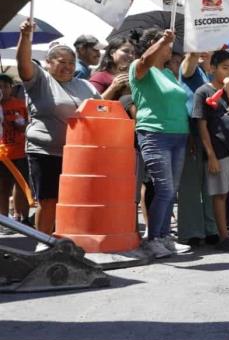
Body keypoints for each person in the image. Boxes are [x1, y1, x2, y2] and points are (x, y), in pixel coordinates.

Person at [16, 19, 100, 241]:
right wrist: (25, 37)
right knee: (49, 200)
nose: (68, 67)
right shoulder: (39, 80)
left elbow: (101, 109)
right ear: (48, 63)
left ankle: (65, 242)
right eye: (62, 62)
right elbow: (23, 65)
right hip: (46, 152)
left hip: (77, 155)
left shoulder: (85, 85)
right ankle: (43, 244)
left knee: (72, 201)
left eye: (72, 63)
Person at [129, 28, 191, 258]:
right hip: (155, 134)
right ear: (153, 45)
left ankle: (164, 237)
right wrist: (163, 39)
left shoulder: (167, 73)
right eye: (166, 44)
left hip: (179, 136)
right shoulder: (138, 66)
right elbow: (145, 60)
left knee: (171, 190)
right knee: (164, 189)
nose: (170, 48)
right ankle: (152, 238)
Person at [192, 50, 229, 251]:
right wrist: (211, 155)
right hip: (218, 150)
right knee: (219, 194)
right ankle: (223, 236)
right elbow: (202, 126)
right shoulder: (203, 92)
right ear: (212, 68)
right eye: (225, 68)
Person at [177, 52, 221, 248]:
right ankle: (191, 232)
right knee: (190, 186)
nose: (205, 51)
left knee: (211, 184)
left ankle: (212, 229)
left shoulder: (214, 73)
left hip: (214, 134)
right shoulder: (190, 69)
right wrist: (194, 51)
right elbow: (187, 68)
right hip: (191, 133)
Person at [0, 75, 29, 224]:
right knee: (3, 186)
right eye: (0, 87)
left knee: (21, 185)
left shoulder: (20, 104)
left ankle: (20, 216)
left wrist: (21, 125)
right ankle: (4, 219)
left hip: (20, 151)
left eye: (6, 86)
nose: (2, 90)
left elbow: (28, 125)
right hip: (2, 153)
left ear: (11, 88)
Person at [89, 35, 135, 100]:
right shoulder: (99, 77)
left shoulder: (131, 75)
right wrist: (113, 88)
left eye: (133, 53)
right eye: (126, 51)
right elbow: (94, 104)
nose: (130, 55)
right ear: (112, 53)